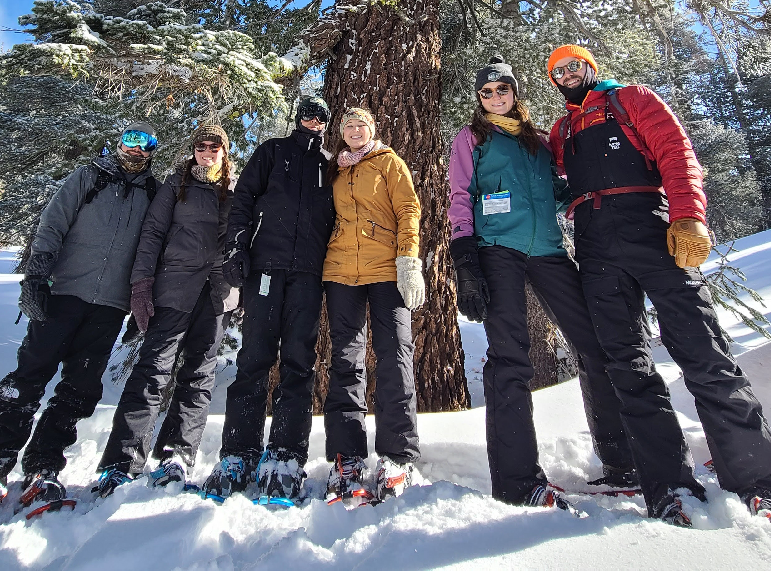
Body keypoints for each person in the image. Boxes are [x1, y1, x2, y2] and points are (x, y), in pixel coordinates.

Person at [547, 44, 771, 532]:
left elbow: (676, 152)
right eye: (556, 71)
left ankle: (762, 483)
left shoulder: (631, 100)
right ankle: (667, 483)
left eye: (572, 65)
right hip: (593, 240)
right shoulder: (561, 131)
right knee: (626, 363)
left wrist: (688, 216)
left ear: (590, 67)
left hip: (650, 227)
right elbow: (553, 180)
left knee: (703, 349)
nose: (566, 75)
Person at [0, 122, 161, 524]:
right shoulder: (89, 177)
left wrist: (140, 303)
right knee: (29, 376)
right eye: (129, 139)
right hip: (63, 294)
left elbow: (153, 250)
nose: (135, 149)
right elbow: (53, 223)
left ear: (152, 151)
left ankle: (44, 465)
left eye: (144, 143)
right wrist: (37, 275)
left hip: (110, 306)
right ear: (118, 143)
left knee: (79, 390)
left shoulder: (154, 192)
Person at [447, 55, 636, 509]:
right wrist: (464, 256)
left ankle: (621, 460)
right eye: (486, 92)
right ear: (479, 99)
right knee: (510, 357)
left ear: (515, 92)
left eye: (502, 89)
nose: (495, 97)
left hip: (549, 250)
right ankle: (517, 480)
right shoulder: (472, 138)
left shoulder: (537, 141)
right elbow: (459, 194)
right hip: (497, 251)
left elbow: (556, 187)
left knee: (592, 345)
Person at [201, 96, 336, 504]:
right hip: (266, 270)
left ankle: (287, 454)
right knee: (254, 357)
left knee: (299, 361)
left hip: (309, 275)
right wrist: (237, 250)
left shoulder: (330, 164)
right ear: (298, 118)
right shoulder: (272, 151)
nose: (312, 121)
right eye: (307, 114)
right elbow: (243, 202)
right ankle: (238, 452)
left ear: (326, 124)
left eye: (320, 117)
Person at [92, 124, 237, 498]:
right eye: (201, 146)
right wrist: (141, 285)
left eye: (214, 146)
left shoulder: (237, 188)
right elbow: (152, 234)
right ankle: (121, 462)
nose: (207, 152)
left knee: (200, 376)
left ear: (224, 150)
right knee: (152, 372)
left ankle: (177, 455)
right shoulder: (176, 185)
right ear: (193, 150)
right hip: (173, 287)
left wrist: (243, 289)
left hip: (218, 293)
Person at [322, 107, 424, 505]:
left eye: (361, 123)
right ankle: (347, 457)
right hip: (341, 271)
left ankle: (398, 455)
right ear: (341, 132)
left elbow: (408, 209)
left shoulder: (389, 162)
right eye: (347, 124)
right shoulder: (334, 170)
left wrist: (408, 261)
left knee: (395, 354)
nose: (354, 129)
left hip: (387, 269)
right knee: (346, 360)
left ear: (372, 129)